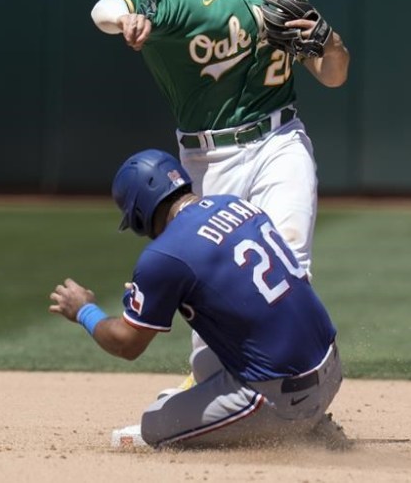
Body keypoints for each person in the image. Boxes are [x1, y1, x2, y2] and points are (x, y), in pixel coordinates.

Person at [90, 0, 350, 280]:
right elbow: (103, 8)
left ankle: (312, 345)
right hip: (208, 160)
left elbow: (333, 76)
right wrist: (124, 18)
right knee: (216, 285)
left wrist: (330, 41)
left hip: (279, 143)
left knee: (290, 266)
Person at [48, 149, 344, 449]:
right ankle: (307, 419)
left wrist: (84, 310)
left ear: (139, 215)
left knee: (155, 423)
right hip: (332, 369)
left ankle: (300, 430)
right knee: (205, 362)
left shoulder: (164, 256)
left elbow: (127, 344)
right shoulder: (233, 204)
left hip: (283, 399)